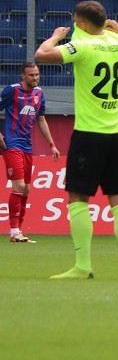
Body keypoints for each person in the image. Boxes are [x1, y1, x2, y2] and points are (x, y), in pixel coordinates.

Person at [35, 1, 118, 280]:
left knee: (78, 197)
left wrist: (55, 37)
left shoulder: (82, 46)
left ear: (82, 23)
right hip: (117, 134)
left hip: (88, 134)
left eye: (75, 21)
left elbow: (42, 54)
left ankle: (83, 266)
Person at [0, 62, 60, 243]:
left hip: (27, 146)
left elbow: (41, 119)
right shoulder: (12, 90)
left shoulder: (39, 94)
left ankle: (19, 231)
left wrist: (52, 145)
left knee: (26, 189)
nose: (35, 78)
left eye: (37, 74)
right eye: (31, 75)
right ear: (23, 76)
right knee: (18, 186)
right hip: (11, 144)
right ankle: (13, 232)